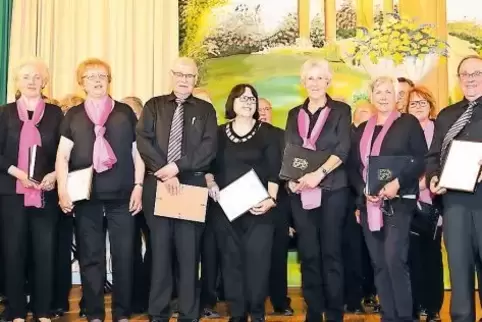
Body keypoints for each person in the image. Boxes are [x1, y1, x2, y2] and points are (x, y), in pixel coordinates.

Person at [56, 58, 144, 322]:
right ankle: (94, 313)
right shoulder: (73, 115)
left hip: (122, 196)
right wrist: (62, 190)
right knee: (90, 257)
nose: (97, 80)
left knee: (124, 257)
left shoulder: (125, 113)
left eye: (102, 75)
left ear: (109, 80)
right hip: (86, 198)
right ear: (81, 82)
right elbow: (62, 157)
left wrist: (139, 186)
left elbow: (137, 152)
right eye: (91, 76)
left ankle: (122, 313)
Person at [136, 57, 217, 322]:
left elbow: (207, 149)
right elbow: (143, 141)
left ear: (196, 79)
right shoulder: (153, 105)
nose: (184, 79)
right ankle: (158, 313)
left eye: (190, 75)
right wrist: (164, 170)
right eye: (180, 74)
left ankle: (188, 313)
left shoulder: (206, 110)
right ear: (172, 75)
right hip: (157, 185)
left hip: (191, 186)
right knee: (159, 252)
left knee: (188, 252)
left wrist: (177, 168)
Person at [349, 76, 427, 322]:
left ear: (396, 97)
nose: (383, 97)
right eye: (378, 92)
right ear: (371, 97)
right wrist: (363, 189)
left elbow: (420, 159)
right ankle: (389, 316)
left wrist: (398, 183)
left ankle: (404, 317)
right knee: (379, 264)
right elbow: (352, 168)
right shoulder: (362, 129)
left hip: (399, 204)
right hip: (369, 205)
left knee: (395, 260)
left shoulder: (408, 123)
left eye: (388, 92)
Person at [205, 84, 280, 322]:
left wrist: (271, 199)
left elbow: (275, 171)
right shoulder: (217, 133)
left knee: (258, 264)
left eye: (252, 98)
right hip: (225, 211)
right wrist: (210, 183)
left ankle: (257, 313)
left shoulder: (268, 132)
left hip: (260, 210)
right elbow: (207, 167)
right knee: (230, 263)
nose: (247, 102)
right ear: (232, 103)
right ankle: (237, 314)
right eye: (242, 98)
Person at [285, 58, 352, 322]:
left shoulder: (341, 111)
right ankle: (313, 312)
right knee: (309, 254)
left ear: (328, 81)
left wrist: (318, 174)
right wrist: (290, 179)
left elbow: (342, 149)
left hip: (333, 189)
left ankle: (335, 314)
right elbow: (290, 151)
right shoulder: (293, 114)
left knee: (331, 254)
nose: (314, 83)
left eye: (319, 78)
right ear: (303, 83)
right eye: (309, 78)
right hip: (301, 192)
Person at [0, 58, 63, 322]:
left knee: (44, 252)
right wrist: (18, 173)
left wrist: (53, 175)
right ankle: (14, 310)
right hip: (11, 192)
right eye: (26, 77)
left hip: (45, 193)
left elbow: (64, 152)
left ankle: (42, 310)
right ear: (17, 82)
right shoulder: (4, 113)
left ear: (44, 82)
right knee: (13, 252)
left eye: (37, 77)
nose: (32, 81)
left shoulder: (56, 114)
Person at [426, 55, 482, 322]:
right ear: (458, 79)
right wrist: (433, 177)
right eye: (465, 74)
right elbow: (432, 156)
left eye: (476, 73)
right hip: (454, 203)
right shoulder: (447, 115)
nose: (470, 79)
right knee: (458, 269)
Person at [405, 86, 443, 322]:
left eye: (422, 102)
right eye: (413, 103)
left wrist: (423, 185)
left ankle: (433, 308)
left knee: (432, 257)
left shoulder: (439, 130)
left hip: (435, 203)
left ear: (430, 106)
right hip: (407, 204)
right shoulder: (403, 131)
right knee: (411, 258)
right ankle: (416, 304)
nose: (418, 106)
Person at [51, 94, 86, 318]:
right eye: (64, 108)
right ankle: (56, 300)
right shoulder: (57, 133)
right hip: (56, 195)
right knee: (56, 249)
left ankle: (81, 300)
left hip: (83, 195)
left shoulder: (84, 130)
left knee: (83, 250)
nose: (68, 111)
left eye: (72, 107)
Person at [257, 97, 294, 316]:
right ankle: (254, 302)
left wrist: (290, 219)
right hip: (249, 204)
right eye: (258, 109)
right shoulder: (247, 136)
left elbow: (289, 173)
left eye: (266, 109)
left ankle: (280, 302)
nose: (262, 112)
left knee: (278, 256)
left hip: (279, 204)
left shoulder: (283, 136)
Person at [343, 102, 377, 314]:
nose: (369, 116)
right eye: (365, 112)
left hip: (373, 201)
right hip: (349, 202)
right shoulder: (348, 135)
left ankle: (370, 293)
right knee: (352, 251)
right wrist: (358, 199)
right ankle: (353, 298)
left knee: (371, 254)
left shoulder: (377, 135)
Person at [121, 96, 151, 314]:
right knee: (129, 250)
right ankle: (132, 299)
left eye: (130, 113)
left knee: (154, 250)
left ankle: (151, 297)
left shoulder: (149, 135)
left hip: (150, 197)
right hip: (125, 198)